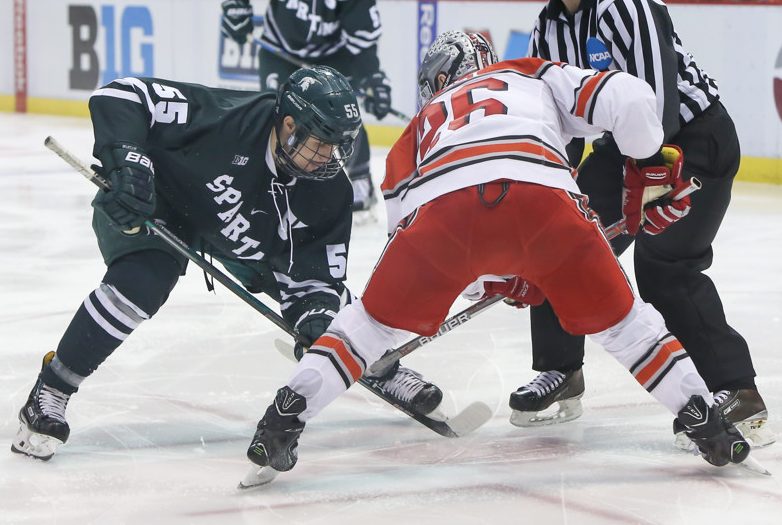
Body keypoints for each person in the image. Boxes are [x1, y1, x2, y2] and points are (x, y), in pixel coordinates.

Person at [242, 31, 751, 479]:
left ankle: (283, 417)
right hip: (543, 200)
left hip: (442, 217)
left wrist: (492, 276)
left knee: (367, 326)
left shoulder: (416, 129)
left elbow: (424, 253)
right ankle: (706, 420)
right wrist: (649, 169)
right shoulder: (531, 73)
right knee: (627, 327)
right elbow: (632, 96)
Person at [11, 65, 441, 461]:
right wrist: (129, 161)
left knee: (334, 314)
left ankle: (382, 365)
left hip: (242, 239)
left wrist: (315, 315)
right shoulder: (227, 117)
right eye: (321, 142)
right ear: (289, 124)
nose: (329, 157)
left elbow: (316, 278)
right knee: (140, 285)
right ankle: (50, 392)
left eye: (338, 145)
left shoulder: (328, 192)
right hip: (157, 202)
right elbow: (121, 94)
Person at [514, 0, 773, 449]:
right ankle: (561, 369)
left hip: (690, 141)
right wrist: (550, 184)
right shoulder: (547, 27)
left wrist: (653, 174)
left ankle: (739, 393)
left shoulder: (625, 7)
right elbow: (556, 121)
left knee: (664, 268)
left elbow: (659, 102)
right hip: (624, 147)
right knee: (559, 236)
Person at [221, 0, 393, 213]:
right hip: (280, 48)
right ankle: (270, 181)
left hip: (332, 54)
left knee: (340, 115)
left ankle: (360, 181)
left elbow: (363, 34)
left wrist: (371, 77)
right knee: (277, 116)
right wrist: (237, 6)